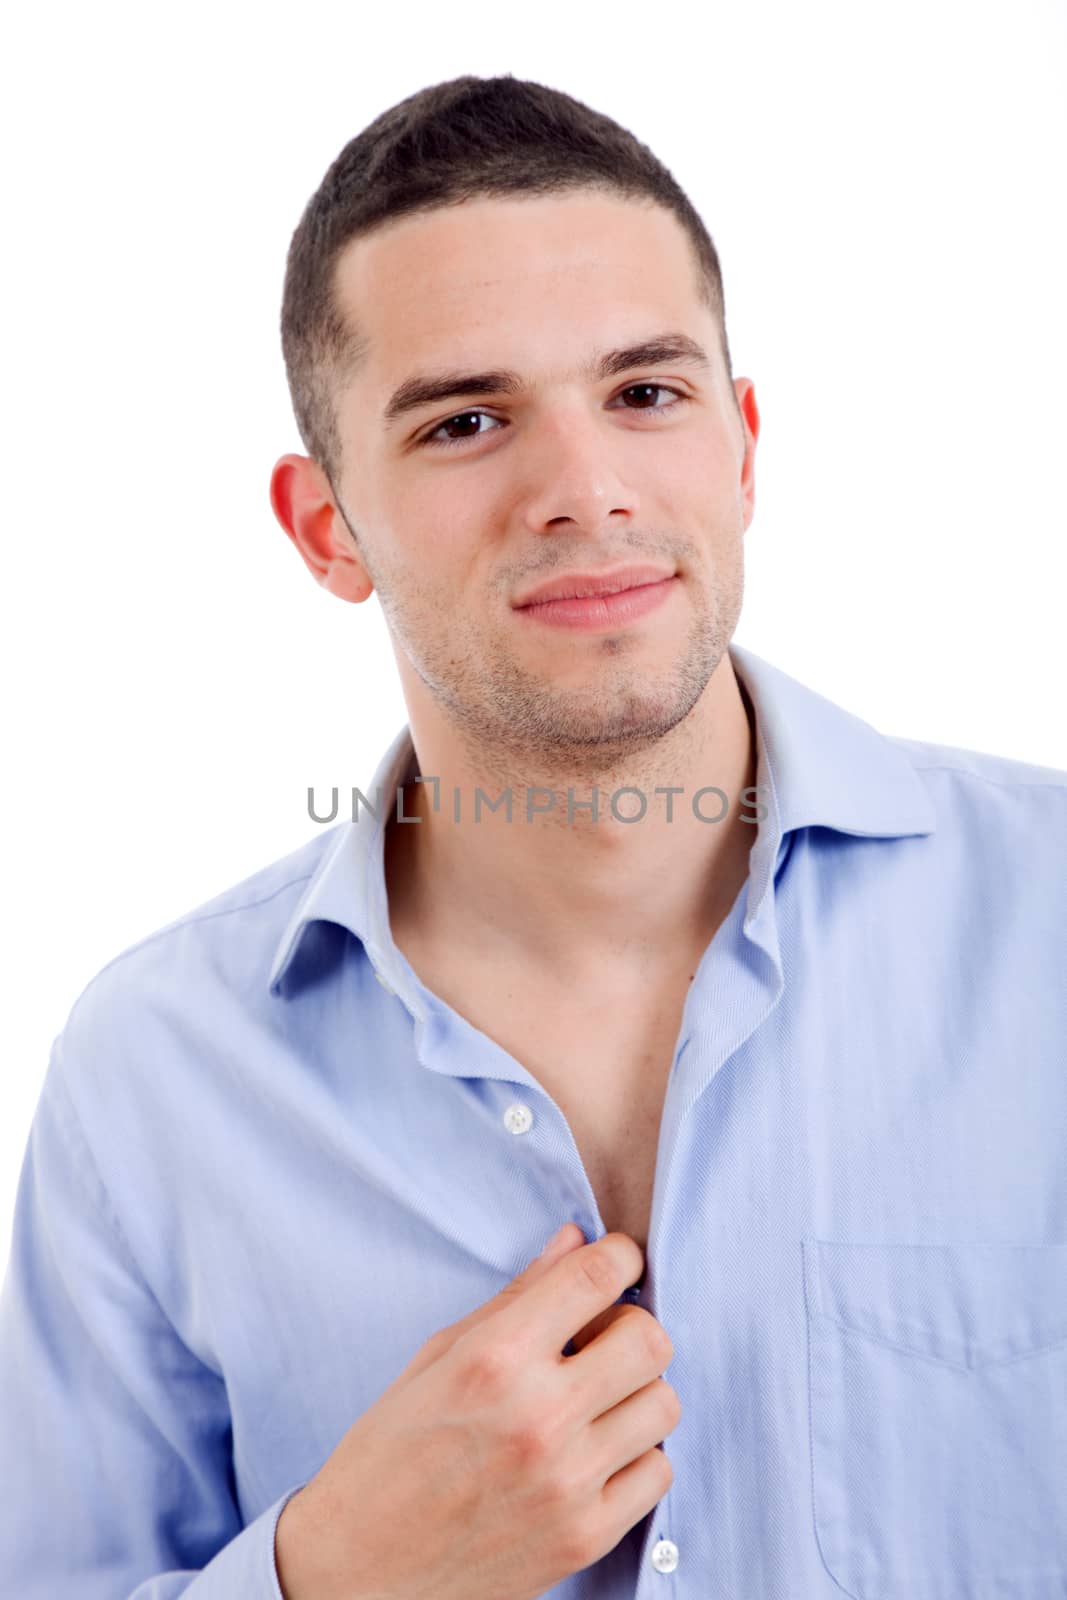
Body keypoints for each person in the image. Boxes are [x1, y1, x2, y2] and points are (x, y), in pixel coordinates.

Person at [1, 72, 1064, 1600]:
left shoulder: (1052, 928)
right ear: (325, 530)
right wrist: (327, 1580)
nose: (585, 489)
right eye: (469, 420)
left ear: (744, 446)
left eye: (645, 392)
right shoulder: (149, 1083)